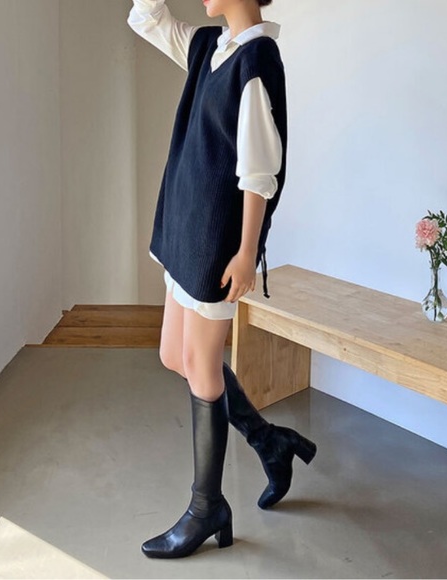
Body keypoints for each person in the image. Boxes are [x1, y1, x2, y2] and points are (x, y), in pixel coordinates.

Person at [128, 0, 317, 559]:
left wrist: (246, 252)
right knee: (175, 356)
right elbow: (147, 19)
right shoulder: (211, 48)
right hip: (186, 231)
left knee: (201, 365)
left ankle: (206, 507)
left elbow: (260, 171)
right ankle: (270, 440)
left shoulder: (257, 60)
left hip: (217, 243)